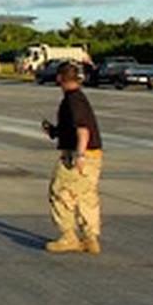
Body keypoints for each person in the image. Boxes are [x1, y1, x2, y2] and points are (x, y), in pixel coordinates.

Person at [41, 61, 103, 254]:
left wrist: (80, 154)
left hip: (78, 154)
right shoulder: (78, 98)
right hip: (94, 153)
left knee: (59, 192)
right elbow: (74, 128)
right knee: (86, 195)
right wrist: (54, 131)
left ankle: (69, 237)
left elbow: (82, 129)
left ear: (60, 78)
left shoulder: (73, 100)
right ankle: (90, 238)